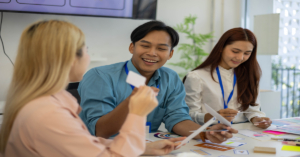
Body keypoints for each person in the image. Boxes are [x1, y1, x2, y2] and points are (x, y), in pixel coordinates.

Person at [0, 20, 185, 157]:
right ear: (71, 59)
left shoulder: (49, 101)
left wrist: (143, 148)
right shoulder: (49, 113)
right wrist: (136, 112)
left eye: (161, 48)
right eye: (86, 49)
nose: (152, 53)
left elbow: (86, 142)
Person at [78, 20, 238, 146]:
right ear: (132, 47)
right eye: (145, 46)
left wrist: (204, 132)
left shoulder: (170, 78)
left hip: (148, 147)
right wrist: (132, 103)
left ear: (170, 54)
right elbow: (100, 130)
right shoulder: (100, 76)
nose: (152, 53)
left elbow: (176, 117)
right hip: (103, 148)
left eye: (161, 48)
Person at [183, 27, 272, 129]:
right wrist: (211, 116)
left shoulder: (249, 75)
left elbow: (252, 109)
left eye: (247, 53)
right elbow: (188, 115)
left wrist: (257, 118)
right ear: (221, 47)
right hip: (210, 132)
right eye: (235, 51)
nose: (240, 58)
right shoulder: (197, 77)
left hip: (243, 131)